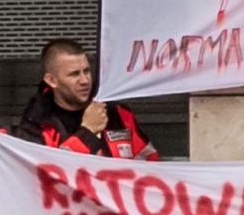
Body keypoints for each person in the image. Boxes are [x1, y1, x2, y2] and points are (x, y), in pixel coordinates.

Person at [9, 37, 158, 161]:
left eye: (86, 71)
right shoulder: (34, 126)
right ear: (52, 80)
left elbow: (150, 164)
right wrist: (88, 132)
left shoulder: (117, 113)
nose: (84, 80)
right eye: (74, 74)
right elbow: (49, 177)